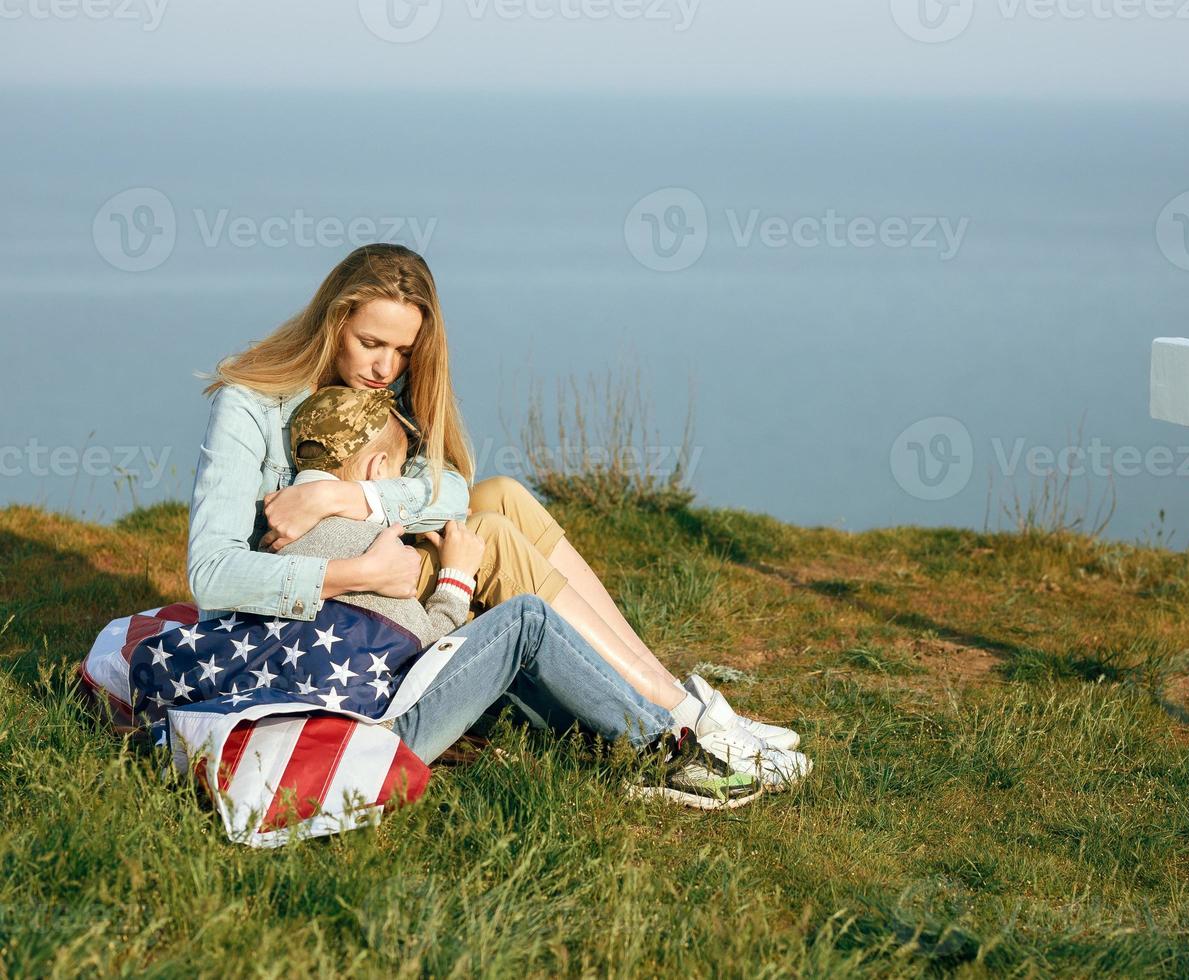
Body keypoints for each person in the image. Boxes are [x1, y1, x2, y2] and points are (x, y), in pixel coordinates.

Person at [186, 242, 807, 792]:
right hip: (311, 615)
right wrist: (358, 570)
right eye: (369, 343)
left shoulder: (384, 392)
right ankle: (676, 721)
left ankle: (676, 698)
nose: (384, 368)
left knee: (500, 495)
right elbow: (210, 576)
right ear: (333, 322)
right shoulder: (252, 404)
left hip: (368, 562)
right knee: (490, 537)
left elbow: (454, 487)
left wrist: (354, 499)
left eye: (403, 351)